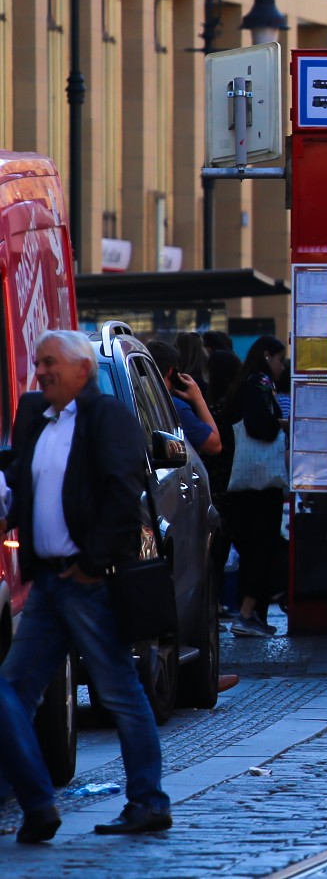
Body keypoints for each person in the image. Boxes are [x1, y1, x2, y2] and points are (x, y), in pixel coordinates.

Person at [0, 330, 171, 839]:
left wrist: (95, 563)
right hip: (49, 582)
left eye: (51, 363)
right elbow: (20, 482)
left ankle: (148, 800)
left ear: (82, 370)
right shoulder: (34, 415)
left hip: (89, 580)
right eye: (38, 363)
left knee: (120, 692)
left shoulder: (107, 416)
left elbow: (124, 491)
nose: (42, 371)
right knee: (10, 690)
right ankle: (37, 803)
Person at [218, 336, 291, 638]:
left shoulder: (242, 382)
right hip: (260, 485)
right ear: (266, 356)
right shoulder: (259, 381)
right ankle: (248, 613)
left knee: (252, 547)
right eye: (279, 359)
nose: (281, 367)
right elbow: (259, 425)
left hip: (242, 483)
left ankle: (252, 614)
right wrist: (281, 423)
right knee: (262, 546)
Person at [146, 340, 221, 459]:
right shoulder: (174, 407)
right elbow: (215, 445)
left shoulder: (135, 396)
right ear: (172, 372)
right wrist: (198, 399)